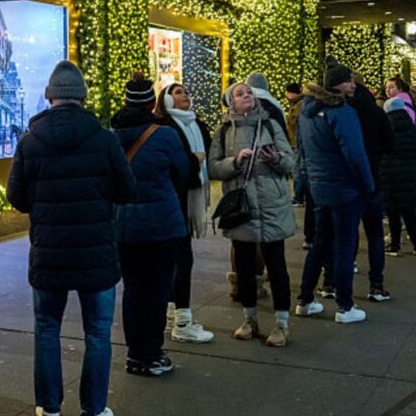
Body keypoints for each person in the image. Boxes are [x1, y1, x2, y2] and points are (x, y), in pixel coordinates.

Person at [8, 61, 134, 416]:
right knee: (98, 331)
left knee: (47, 327)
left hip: (49, 252)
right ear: (82, 98)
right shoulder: (104, 138)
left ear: (50, 97)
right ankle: (92, 414)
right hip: (96, 253)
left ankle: (49, 408)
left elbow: (17, 197)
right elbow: (128, 190)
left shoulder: (30, 141)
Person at [111, 74, 190, 375]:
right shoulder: (165, 135)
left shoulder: (111, 135)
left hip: (125, 224)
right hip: (162, 224)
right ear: (152, 102)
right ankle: (152, 353)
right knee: (157, 289)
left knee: (132, 289)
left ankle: (134, 354)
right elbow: (181, 173)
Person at [209, 82, 296, 346]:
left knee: (276, 264)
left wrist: (274, 159)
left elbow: (290, 161)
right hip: (242, 205)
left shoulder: (270, 125)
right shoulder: (224, 130)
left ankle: (282, 324)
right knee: (244, 266)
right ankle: (249, 319)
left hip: (271, 203)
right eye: (239, 94)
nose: (246, 96)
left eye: (248, 92)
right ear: (230, 102)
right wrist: (235, 162)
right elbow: (213, 167)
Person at [296, 61, 377, 323]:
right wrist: (368, 185)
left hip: (320, 187)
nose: (353, 85)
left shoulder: (306, 112)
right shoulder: (341, 112)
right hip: (344, 188)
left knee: (320, 243)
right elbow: (355, 153)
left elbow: (305, 152)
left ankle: (305, 299)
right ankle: (345, 306)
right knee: (344, 245)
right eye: (348, 81)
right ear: (336, 84)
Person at [155, 82, 215, 344]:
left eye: (186, 92)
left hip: (190, 197)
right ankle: (181, 319)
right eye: (178, 93)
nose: (185, 96)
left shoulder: (196, 124)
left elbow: (209, 150)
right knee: (181, 258)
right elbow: (175, 163)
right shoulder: (166, 127)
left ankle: (173, 313)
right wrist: (195, 161)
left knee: (179, 257)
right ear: (166, 100)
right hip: (175, 199)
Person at [347, 74, 393, 302]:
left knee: (347, 233)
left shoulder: (345, 112)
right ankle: (376, 284)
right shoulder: (377, 112)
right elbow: (390, 143)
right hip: (373, 179)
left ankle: (337, 282)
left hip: (349, 181)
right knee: (375, 234)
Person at [382, 97, 416, 256]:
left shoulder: (386, 126)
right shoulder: (411, 126)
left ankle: (395, 245)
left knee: (393, 212)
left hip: (390, 172)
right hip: (410, 171)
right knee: (409, 211)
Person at [285, 82, 306, 206]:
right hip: (295, 142)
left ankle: (299, 197)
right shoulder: (296, 104)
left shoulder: (299, 105)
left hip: (297, 142)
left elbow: (295, 124)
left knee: (297, 170)